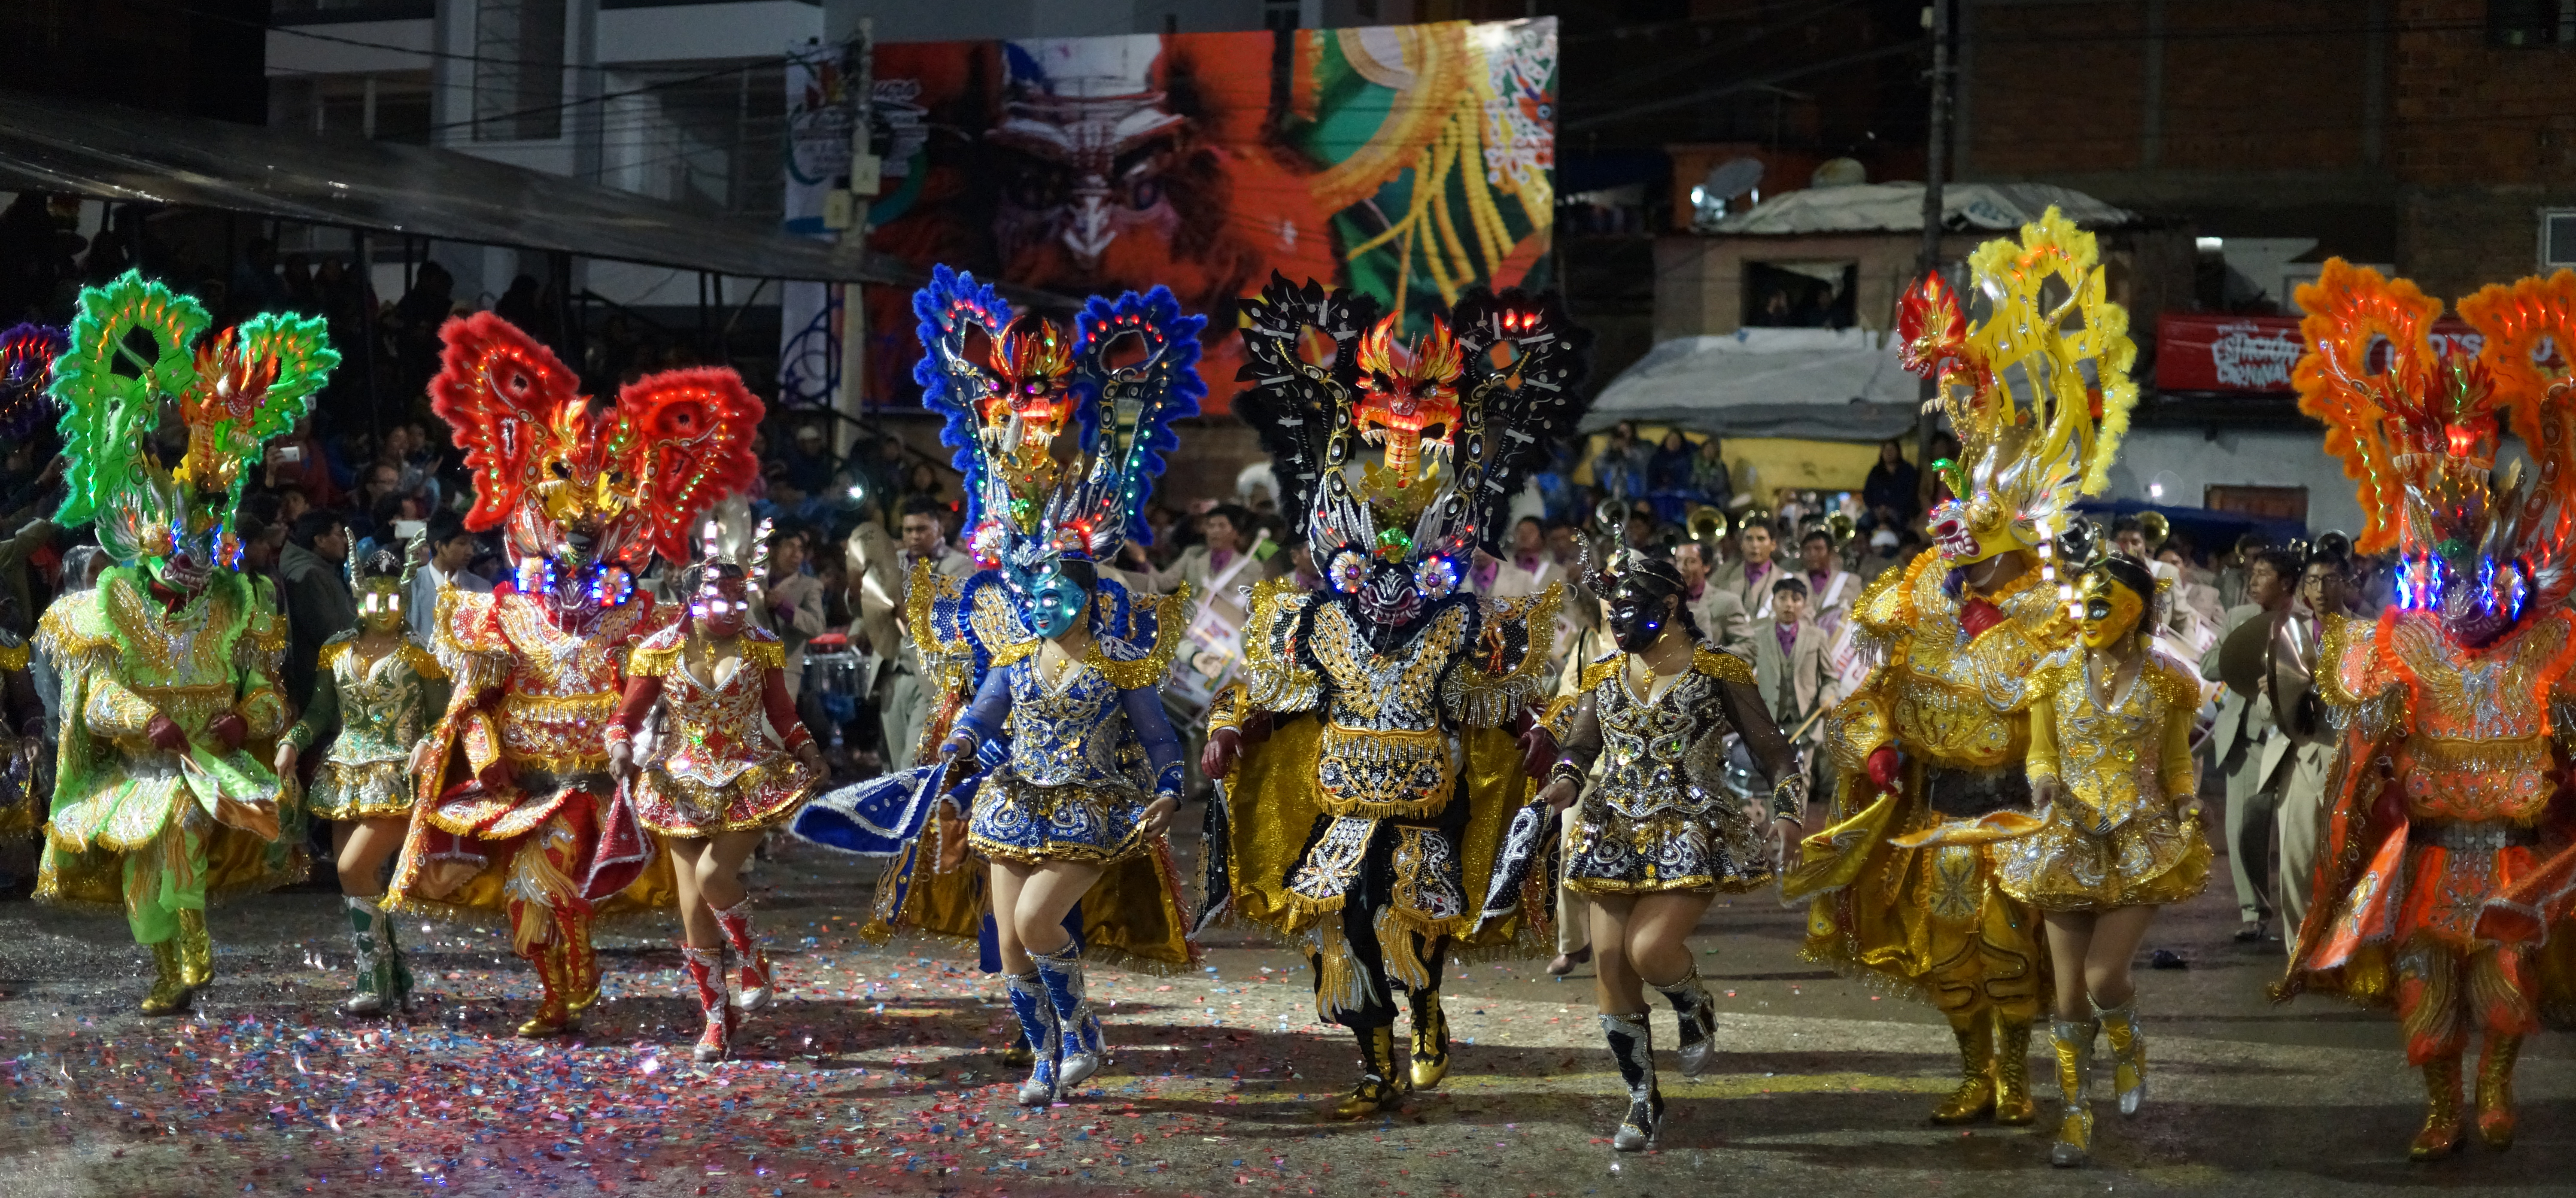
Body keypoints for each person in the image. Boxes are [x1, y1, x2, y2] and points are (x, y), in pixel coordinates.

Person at [793, 269, 1206, 1098]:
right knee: (1010, 943)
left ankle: (1081, 1033)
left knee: (1033, 922)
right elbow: (987, 704)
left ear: (1091, 592)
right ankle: (1048, 1053)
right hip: (1013, 794)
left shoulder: (1116, 653)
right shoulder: (1014, 647)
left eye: (1062, 589)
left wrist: (1167, 787)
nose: (1044, 601)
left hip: (1088, 799)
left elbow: (1161, 738)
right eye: (1019, 408)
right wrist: (955, 749)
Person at [1784, 213, 2134, 1129]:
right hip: (1934, 811)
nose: (1959, 549)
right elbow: (1868, 695)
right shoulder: (1912, 595)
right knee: (1945, 957)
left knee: (2011, 952)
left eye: (1976, 535)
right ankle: (1975, 1068)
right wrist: (1877, 753)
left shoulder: (2058, 612)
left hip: (2017, 812)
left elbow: (2097, 714)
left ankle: (2020, 1076)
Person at [1206, 276, 1585, 1118]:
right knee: (1343, 924)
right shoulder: (1318, 618)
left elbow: (1497, 695)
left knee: (1411, 915)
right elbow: (1267, 690)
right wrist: (1233, 729)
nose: (1403, 442)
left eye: (1421, 427)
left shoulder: (1456, 619)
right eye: (1386, 426)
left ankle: (1426, 1011)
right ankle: (1374, 1064)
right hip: (1340, 793)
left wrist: (1537, 734)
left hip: (1427, 794)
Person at [389, 312, 761, 1037]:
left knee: (609, 890)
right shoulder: (500, 616)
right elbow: (473, 698)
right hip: (534, 790)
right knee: (531, 897)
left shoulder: (641, 617)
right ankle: (561, 990)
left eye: (593, 525)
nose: (576, 538)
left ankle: (705, 990)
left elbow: (672, 695)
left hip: (612, 788)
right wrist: (464, 748)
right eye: (564, 522)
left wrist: (683, 757)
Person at [2278, 261, 2576, 1161]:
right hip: (2434, 858)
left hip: (2513, 862)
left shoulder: (2549, 644)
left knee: (2507, 987)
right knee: (2424, 989)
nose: (2469, 597)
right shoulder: (2404, 644)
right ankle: (2443, 1104)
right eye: (2451, 577)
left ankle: (2493, 1089)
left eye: (2487, 577)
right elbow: (2356, 739)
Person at [34, 271, 330, 1013]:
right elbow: (95, 694)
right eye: (181, 552)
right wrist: (145, 721)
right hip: (143, 766)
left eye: (207, 548)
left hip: (211, 768)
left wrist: (247, 721)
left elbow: (264, 690)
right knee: (148, 879)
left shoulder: (239, 601)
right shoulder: (111, 602)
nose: (195, 569)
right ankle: (169, 968)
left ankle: (193, 957)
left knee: (182, 838)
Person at [1938, 554, 2210, 1166]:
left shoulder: (2169, 680)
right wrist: (2044, 784)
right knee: (2066, 997)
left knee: (2103, 975)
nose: (2085, 616)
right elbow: (2042, 754)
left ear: (2136, 610)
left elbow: (2174, 764)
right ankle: (2075, 1116)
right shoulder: (2054, 674)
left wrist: (2188, 803)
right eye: (2081, 602)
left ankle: (2129, 1045)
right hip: (2068, 841)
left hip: (2140, 842)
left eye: (2101, 604)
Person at [1536, 542, 1804, 1150]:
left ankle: (1692, 1001)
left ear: (1672, 601)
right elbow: (1581, 747)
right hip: (1612, 828)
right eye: (1612, 608)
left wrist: (1788, 810)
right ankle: (1641, 1099)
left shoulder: (1719, 670)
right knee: (1610, 967)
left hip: (1692, 827)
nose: (1619, 619)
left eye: (1630, 606)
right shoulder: (1604, 673)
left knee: (1651, 949)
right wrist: (1564, 780)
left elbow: (1774, 750)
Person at [608, 559, 826, 1061]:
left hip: (748, 777)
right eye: (716, 601)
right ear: (691, 600)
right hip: (679, 784)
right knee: (691, 912)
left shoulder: (761, 645)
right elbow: (625, 718)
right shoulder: (658, 650)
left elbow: (782, 714)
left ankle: (752, 958)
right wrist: (619, 748)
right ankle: (716, 1019)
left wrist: (809, 752)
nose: (729, 611)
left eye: (738, 601)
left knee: (714, 876)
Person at [277, 541, 450, 1016]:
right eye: (374, 599)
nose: (384, 609)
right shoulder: (335, 650)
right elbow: (319, 711)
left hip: (398, 774)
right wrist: (292, 740)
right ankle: (390, 975)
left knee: (353, 868)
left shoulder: (421, 656)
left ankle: (373, 978)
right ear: (359, 599)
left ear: (404, 597)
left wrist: (427, 742)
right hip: (343, 774)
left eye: (393, 599)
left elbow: (443, 717)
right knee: (359, 878)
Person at [2199, 546, 2299, 942]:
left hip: (2294, 736)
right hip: (2247, 736)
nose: (2254, 582)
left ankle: (2304, 914)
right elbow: (2209, 666)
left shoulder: (2307, 624)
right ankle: (2253, 911)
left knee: (2297, 833)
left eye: (2263, 575)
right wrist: (2245, 649)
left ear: (2287, 583)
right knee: (2244, 829)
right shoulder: (2240, 618)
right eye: (2252, 575)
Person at [855, 497, 973, 771]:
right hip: (892, 674)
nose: (914, 537)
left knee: (915, 763)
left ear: (939, 529)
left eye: (922, 529)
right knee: (895, 766)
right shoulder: (891, 562)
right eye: (908, 531)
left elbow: (949, 615)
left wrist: (908, 608)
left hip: (932, 679)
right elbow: (866, 606)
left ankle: (922, 814)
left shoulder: (960, 566)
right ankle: (904, 815)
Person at [1749, 576, 1832, 789]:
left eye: (1796, 599)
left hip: (1806, 721)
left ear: (1804, 604)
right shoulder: (1757, 636)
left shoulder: (1817, 637)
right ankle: (1775, 823)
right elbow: (1742, 670)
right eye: (1783, 598)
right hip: (1770, 720)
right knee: (1773, 778)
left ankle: (1797, 823)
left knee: (1801, 778)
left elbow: (1831, 678)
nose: (1789, 604)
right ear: (1773, 602)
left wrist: (1827, 696)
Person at [278, 511, 355, 708]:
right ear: (320, 540)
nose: (346, 542)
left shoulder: (324, 570)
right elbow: (328, 634)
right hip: (321, 684)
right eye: (340, 535)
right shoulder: (309, 576)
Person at [408, 514, 491, 642]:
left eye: (471, 544)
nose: (470, 552)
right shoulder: (411, 586)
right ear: (440, 546)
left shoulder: (482, 588)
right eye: (462, 543)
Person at [1673, 541, 1752, 658]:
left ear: (1707, 566)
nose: (1681, 568)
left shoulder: (1727, 602)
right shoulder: (1667, 602)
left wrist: (1713, 658)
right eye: (1678, 560)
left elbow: (1748, 645)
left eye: (1691, 561)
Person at [1711, 516, 1788, 618]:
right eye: (1749, 539)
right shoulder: (1723, 576)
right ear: (1742, 544)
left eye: (1761, 539)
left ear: (1773, 545)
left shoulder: (1786, 580)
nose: (1755, 545)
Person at [1795, 527, 1861, 627]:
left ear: (1830, 553)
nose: (1812, 554)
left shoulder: (1851, 582)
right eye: (1807, 549)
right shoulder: (1792, 581)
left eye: (1818, 549)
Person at [1862, 438, 1919, 529]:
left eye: (1892, 450)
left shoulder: (1908, 471)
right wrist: (1876, 510)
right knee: (1863, 524)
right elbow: (1867, 494)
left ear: (1898, 452)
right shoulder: (1876, 472)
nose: (1889, 453)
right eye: (1886, 450)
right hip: (1877, 513)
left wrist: (1892, 510)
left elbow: (1911, 495)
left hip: (1901, 513)